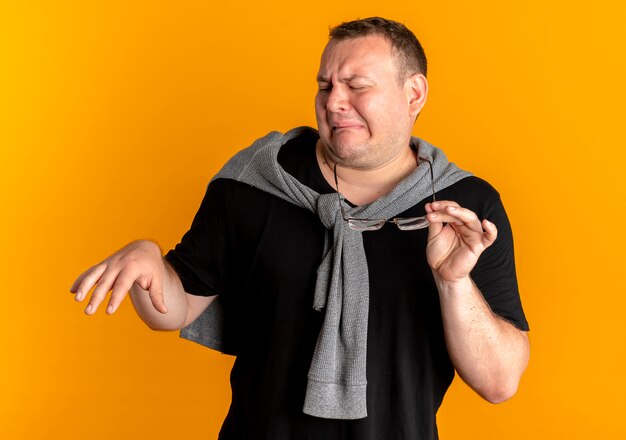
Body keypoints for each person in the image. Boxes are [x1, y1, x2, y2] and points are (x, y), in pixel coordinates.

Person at [71, 17, 529, 440]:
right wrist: (152, 265)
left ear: (414, 94)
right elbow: (172, 310)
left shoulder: (466, 207)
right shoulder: (256, 182)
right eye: (325, 85)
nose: (334, 102)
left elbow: (499, 381)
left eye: (356, 86)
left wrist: (453, 283)